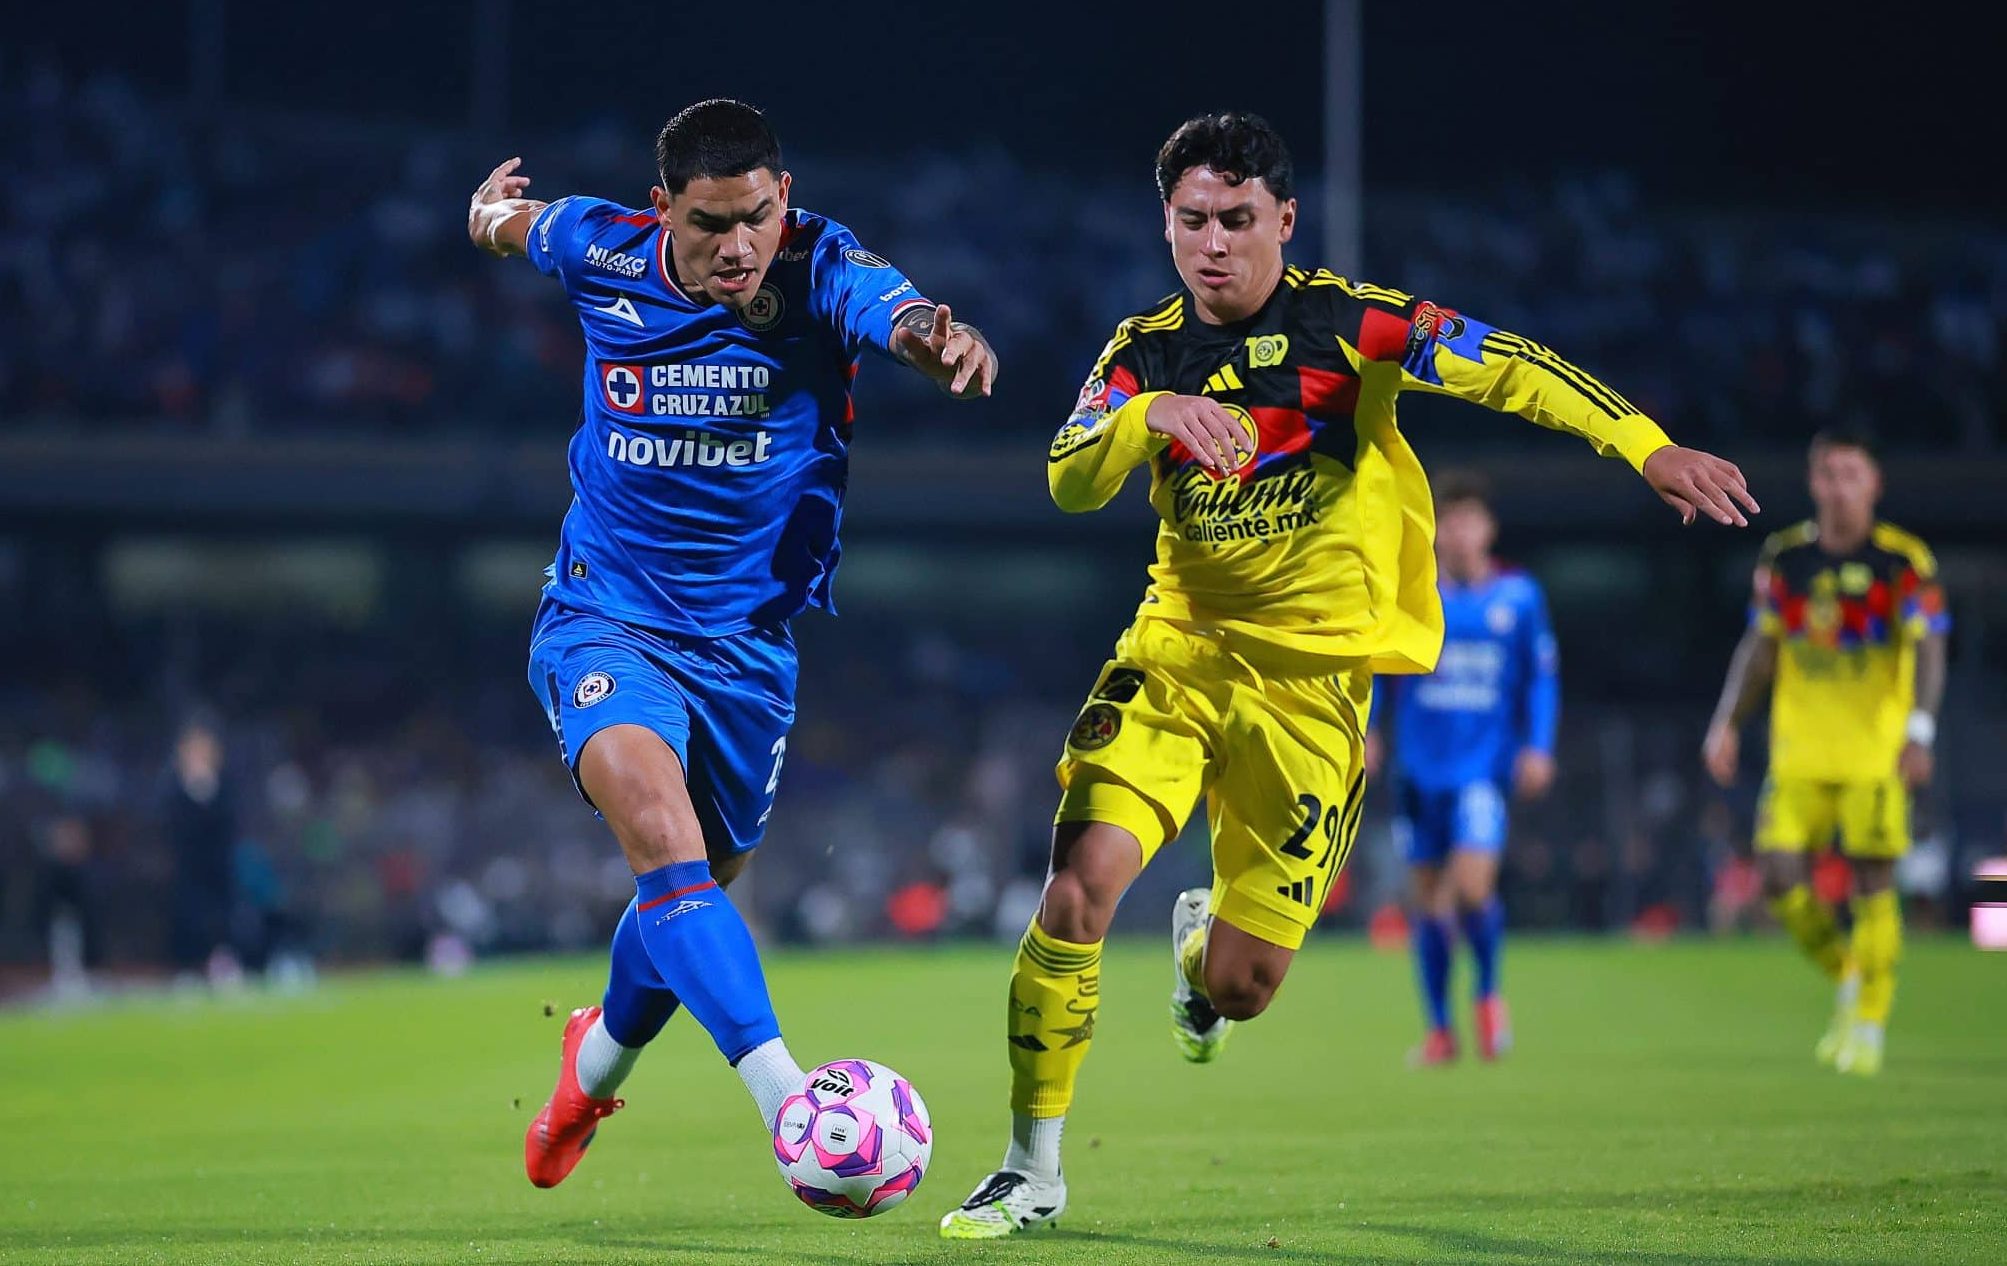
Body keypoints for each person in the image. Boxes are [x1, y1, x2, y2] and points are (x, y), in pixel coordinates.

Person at [939, 111, 1754, 1239]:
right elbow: (1069, 481)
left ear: (1283, 218)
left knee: (1240, 989)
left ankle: (1201, 942)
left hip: (1313, 697)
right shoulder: (1141, 355)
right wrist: (1146, 414)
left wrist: (1644, 443)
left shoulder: (1356, 328)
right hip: (1175, 659)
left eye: (1236, 220)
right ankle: (1032, 1167)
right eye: (1190, 222)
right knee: (1075, 889)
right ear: (1164, 226)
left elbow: (1510, 368)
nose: (1213, 244)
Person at [467, 98, 997, 1189]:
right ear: (662, 210)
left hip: (749, 649)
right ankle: (793, 1106)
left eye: (757, 215)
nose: (738, 245)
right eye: (710, 224)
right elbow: (518, 228)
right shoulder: (598, 245)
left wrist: (932, 342)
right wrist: (487, 216)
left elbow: (893, 313)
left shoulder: (819, 266)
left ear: (784, 197)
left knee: (695, 885)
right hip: (604, 615)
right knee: (663, 842)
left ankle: (593, 1061)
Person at [1702, 429, 1947, 1076]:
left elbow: (1927, 647)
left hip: (1874, 753)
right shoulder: (1784, 558)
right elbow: (1759, 647)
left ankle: (1868, 1021)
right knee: (1778, 877)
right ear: (1813, 483)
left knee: (1872, 883)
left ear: (1873, 484)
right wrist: (1726, 722)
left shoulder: (1903, 562)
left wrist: (1918, 730)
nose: (1838, 486)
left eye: (1850, 474)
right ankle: (1845, 974)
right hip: (1798, 752)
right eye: (1828, 474)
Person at [1364, 471, 1557, 1066]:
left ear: (1489, 529)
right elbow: (1378, 670)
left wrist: (1538, 745)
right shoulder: (1413, 595)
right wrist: (1369, 731)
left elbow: (1542, 677)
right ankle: (1441, 1031)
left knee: (1471, 892)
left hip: (1482, 773)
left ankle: (1488, 994)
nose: (1459, 532)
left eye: (1470, 520)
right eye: (1449, 521)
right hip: (1418, 772)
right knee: (1428, 905)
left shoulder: (1519, 598)